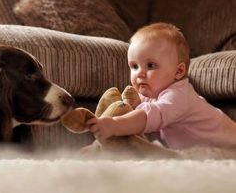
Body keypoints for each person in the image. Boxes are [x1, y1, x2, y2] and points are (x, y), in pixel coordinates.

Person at [87, 22, 236, 150]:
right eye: (134, 66)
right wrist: (98, 140)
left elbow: (147, 116)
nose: (140, 74)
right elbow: (128, 115)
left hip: (229, 146)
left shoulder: (178, 95)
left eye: (150, 65)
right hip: (196, 147)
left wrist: (113, 125)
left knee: (180, 156)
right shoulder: (149, 94)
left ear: (178, 71)